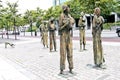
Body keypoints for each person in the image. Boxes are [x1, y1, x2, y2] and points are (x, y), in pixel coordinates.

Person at [59, 4, 75, 74]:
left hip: (69, 36)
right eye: (68, 8)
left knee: (70, 52)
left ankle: (71, 68)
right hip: (63, 36)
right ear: (65, 9)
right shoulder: (61, 15)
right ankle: (62, 69)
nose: (69, 9)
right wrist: (65, 24)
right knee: (63, 53)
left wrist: (71, 22)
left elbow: (72, 22)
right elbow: (59, 28)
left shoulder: (69, 16)